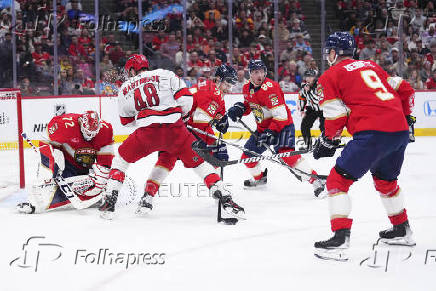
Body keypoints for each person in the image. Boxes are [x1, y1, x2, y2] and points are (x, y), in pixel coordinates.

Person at [99, 54, 244, 220]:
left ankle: (111, 200)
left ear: (132, 70)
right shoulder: (165, 74)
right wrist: (179, 117)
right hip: (176, 130)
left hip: (147, 133)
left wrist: (145, 120)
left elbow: (126, 122)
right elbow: (186, 100)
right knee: (201, 165)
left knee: (122, 161)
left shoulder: (125, 87)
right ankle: (225, 196)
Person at [313, 32, 416, 261]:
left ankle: (340, 239)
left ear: (333, 53)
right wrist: (407, 120)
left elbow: (336, 116)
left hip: (372, 133)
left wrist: (328, 141)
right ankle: (402, 229)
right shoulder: (371, 66)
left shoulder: (330, 75)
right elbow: (406, 89)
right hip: (398, 131)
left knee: (337, 181)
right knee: (386, 181)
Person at [226, 59, 325, 197]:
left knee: (288, 156)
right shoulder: (246, 88)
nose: (260, 75)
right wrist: (240, 108)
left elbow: (281, 115)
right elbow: (251, 106)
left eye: (262, 71)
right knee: (248, 156)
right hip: (263, 129)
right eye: (255, 72)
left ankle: (316, 181)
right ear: (250, 74)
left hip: (282, 127)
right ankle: (259, 178)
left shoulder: (271, 88)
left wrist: (270, 132)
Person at [144, 65, 236, 198]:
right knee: (204, 158)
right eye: (227, 84)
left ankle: (148, 195)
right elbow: (199, 121)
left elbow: (214, 115)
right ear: (218, 79)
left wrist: (223, 120)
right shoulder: (212, 92)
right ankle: (218, 191)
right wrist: (213, 145)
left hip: (176, 126)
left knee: (166, 160)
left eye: (231, 85)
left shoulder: (212, 90)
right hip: (183, 129)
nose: (229, 89)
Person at [17, 111, 114, 214]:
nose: (90, 136)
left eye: (93, 133)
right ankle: (35, 202)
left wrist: (101, 178)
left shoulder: (105, 130)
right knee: (52, 179)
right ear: (81, 123)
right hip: (67, 162)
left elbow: (105, 161)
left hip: (85, 165)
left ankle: (100, 195)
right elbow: (45, 140)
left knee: (100, 180)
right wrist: (54, 154)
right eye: (88, 132)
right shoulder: (65, 126)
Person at [298, 69, 325, 150]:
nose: (308, 79)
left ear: (314, 77)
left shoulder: (319, 85)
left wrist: (310, 90)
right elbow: (301, 98)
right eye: (307, 77)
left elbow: (319, 99)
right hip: (312, 109)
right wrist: (302, 110)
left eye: (311, 77)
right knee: (304, 126)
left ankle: (326, 144)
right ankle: (308, 145)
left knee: (323, 127)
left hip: (324, 109)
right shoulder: (304, 87)